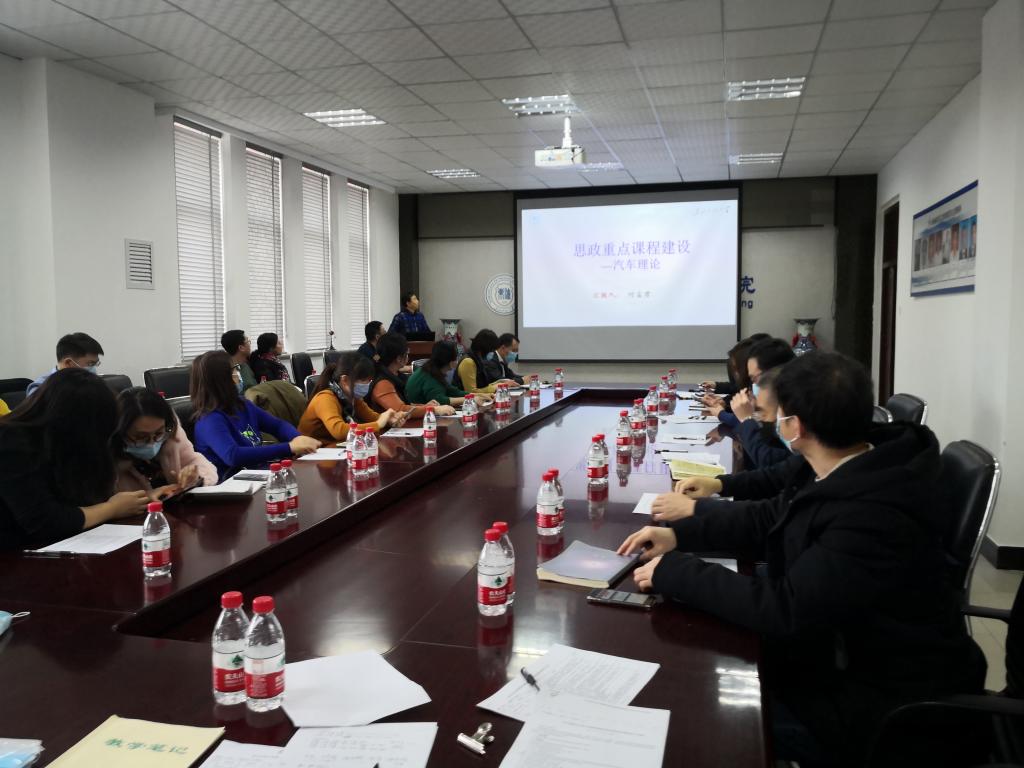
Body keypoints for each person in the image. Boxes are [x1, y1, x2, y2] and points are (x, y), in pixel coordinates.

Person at [619, 352, 984, 767]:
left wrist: (679, 572)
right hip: (835, 655)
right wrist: (679, 536)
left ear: (794, 427)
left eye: (775, 413)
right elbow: (773, 516)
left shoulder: (873, 512)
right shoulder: (851, 460)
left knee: (700, 709)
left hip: (883, 707)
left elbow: (787, 610)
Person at [0, 369, 151, 551]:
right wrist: (112, 509)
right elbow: (44, 521)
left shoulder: (62, 442)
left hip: (62, 545)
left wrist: (142, 499)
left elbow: (84, 500)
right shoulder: (11, 441)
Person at [191, 350, 318, 482]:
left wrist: (297, 439)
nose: (238, 374)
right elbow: (233, 456)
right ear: (222, 379)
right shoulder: (209, 419)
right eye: (234, 370)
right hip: (231, 483)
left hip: (257, 474)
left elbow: (277, 426)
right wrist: (289, 447)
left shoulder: (242, 405)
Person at [113, 387, 218, 500]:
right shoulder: (109, 459)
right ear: (120, 432)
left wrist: (196, 477)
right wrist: (147, 497)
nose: (152, 443)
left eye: (158, 433)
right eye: (140, 437)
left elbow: (198, 462)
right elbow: (110, 503)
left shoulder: (171, 436)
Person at [299, 352, 406, 444]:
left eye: (369, 380)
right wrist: (378, 424)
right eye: (363, 381)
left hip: (333, 448)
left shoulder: (352, 396)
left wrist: (389, 419)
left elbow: (371, 417)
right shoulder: (325, 398)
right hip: (311, 454)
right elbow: (339, 431)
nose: (367, 384)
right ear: (345, 380)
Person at [729, 338, 795, 469]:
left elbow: (771, 462)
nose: (755, 385)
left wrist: (747, 419)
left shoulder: (796, 410)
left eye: (756, 379)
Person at [367, 333, 455, 419]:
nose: (408, 355)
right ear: (399, 358)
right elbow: (400, 410)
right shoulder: (383, 383)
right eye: (407, 353)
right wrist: (434, 409)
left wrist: (425, 406)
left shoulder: (395, 376)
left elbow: (406, 405)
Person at [26, 332, 104, 396]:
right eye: (90, 364)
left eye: (96, 363)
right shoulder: (40, 389)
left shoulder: (92, 383)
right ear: (68, 363)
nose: (94, 368)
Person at [406, 341, 476, 408]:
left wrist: (476, 396)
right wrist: (469, 399)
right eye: (456, 357)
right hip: (421, 414)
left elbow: (452, 391)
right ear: (449, 360)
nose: (458, 359)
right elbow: (439, 401)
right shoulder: (430, 376)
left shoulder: (433, 370)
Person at [700, 332, 770, 395]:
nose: (736, 374)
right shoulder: (753, 383)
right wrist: (722, 400)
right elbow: (737, 389)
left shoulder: (764, 387)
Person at [457, 329, 514, 395]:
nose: (493, 353)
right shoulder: (468, 362)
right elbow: (471, 392)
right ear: (485, 348)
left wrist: (500, 382)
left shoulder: (478, 360)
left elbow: (483, 385)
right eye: (492, 350)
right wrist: (496, 387)